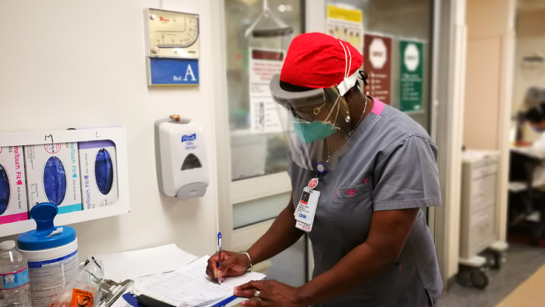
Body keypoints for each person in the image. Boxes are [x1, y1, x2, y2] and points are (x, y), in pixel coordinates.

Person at [206, 32, 442, 307]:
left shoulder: (403, 143)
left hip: (392, 296)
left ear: (349, 91)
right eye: (293, 108)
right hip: (329, 292)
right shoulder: (314, 135)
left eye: (310, 107)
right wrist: (247, 257)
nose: (301, 117)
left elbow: (382, 250)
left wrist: (298, 296)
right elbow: (299, 210)